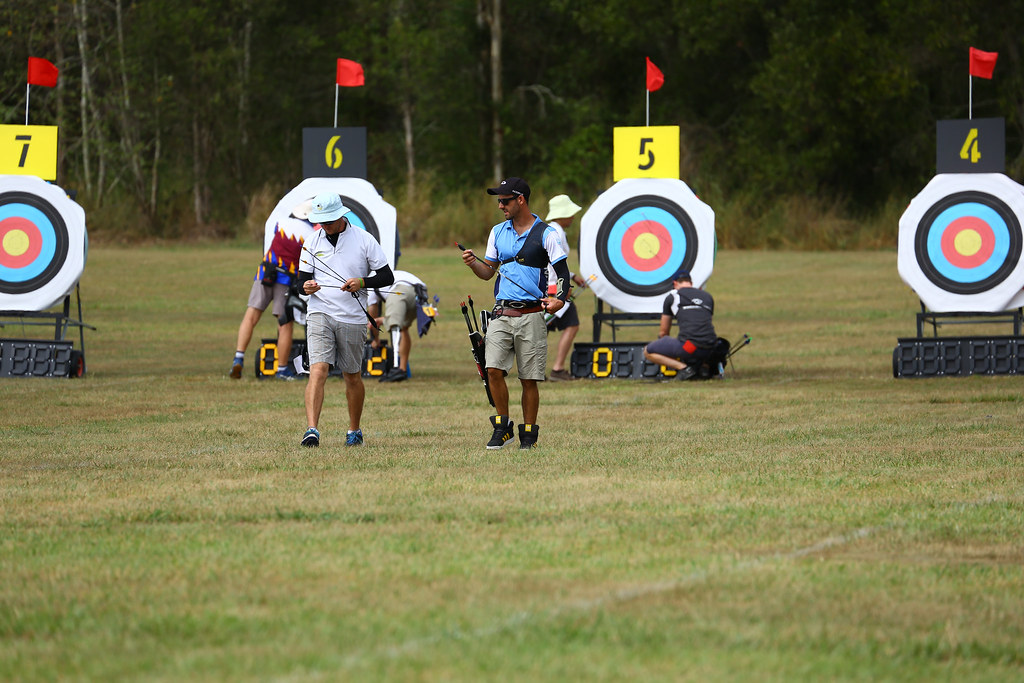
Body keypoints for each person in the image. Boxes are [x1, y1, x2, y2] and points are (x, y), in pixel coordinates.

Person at [461, 177, 571, 450]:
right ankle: (502, 426)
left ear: (520, 199)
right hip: (501, 313)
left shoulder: (547, 234)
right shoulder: (497, 232)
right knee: (493, 370)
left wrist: (560, 300)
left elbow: (564, 273)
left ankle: (529, 435)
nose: (500, 206)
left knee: (528, 378)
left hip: (532, 315)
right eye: (499, 200)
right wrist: (474, 263)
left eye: (505, 200)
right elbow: (488, 273)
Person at [296, 192, 394, 447]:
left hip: (353, 316)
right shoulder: (311, 241)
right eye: (321, 221)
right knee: (318, 369)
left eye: (329, 220)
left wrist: (362, 282)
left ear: (341, 215)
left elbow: (387, 277)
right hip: (320, 312)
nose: (325, 225)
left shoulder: (364, 239)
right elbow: (300, 280)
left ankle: (354, 430)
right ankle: (312, 430)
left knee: (352, 375)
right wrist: (305, 287)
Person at [229, 201, 314, 380]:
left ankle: (238, 358)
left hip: (265, 273)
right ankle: (282, 369)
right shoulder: (310, 235)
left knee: (251, 316)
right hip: (286, 280)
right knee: (284, 325)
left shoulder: (280, 222)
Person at [543, 194, 589, 381]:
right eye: (570, 213)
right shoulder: (556, 232)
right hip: (552, 289)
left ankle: (540, 371)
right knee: (570, 324)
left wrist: (572, 276)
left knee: (540, 331)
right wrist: (559, 289)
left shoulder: (552, 230)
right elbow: (551, 265)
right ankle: (557, 369)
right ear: (562, 214)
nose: (572, 217)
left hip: (551, 286)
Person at [643, 270, 717, 380]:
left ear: (675, 284)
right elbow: (705, 323)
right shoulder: (707, 297)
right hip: (711, 347)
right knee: (695, 343)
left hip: (690, 347)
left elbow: (663, 332)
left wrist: (666, 344)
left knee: (648, 351)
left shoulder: (673, 296)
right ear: (691, 283)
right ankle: (703, 366)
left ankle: (684, 369)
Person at [367, 270, 428, 382]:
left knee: (394, 326)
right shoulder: (384, 273)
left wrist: (375, 339)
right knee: (403, 328)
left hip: (400, 289)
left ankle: (396, 369)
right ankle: (403, 369)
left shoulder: (370, 282)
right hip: (421, 292)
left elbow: (372, 318)